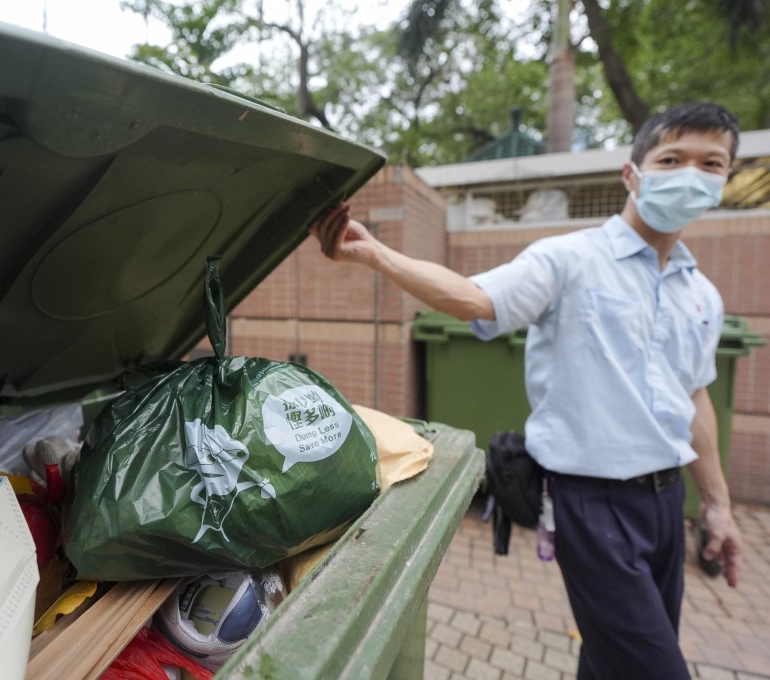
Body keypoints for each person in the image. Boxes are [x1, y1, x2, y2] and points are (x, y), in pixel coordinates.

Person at [309, 101, 744, 679]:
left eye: (711, 163)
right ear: (632, 174)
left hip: (667, 504)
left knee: (611, 661)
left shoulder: (702, 294)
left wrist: (717, 505)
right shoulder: (570, 259)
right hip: (592, 503)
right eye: (672, 158)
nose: (691, 173)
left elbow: (696, 401)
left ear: (726, 178)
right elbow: (472, 297)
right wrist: (377, 254)